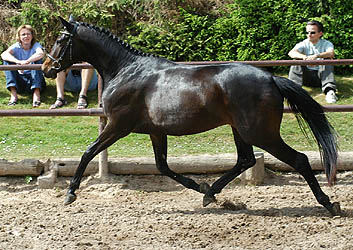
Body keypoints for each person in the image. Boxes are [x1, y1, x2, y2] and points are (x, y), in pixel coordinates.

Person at [288, 20, 337, 103]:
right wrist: (305, 58)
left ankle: (329, 91)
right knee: (296, 59)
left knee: (328, 59)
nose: (309, 35)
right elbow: (291, 53)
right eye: (307, 33)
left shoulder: (327, 43)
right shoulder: (304, 43)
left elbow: (331, 53)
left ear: (320, 34)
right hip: (305, 77)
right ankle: (294, 90)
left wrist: (317, 56)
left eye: (312, 32)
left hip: (321, 78)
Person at [1, 24, 46, 107]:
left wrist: (27, 61)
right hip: (20, 81)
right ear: (19, 37)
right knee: (7, 62)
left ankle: (36, 95)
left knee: (36, 61)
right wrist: (18, 62)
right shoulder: (16, 46)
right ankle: (13, 95)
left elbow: (40, 53)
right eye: (23, 34)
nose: (26, 36)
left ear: (32, 36)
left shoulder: (36, 45)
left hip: (35, 79)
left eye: (28, 34)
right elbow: (4, 54)